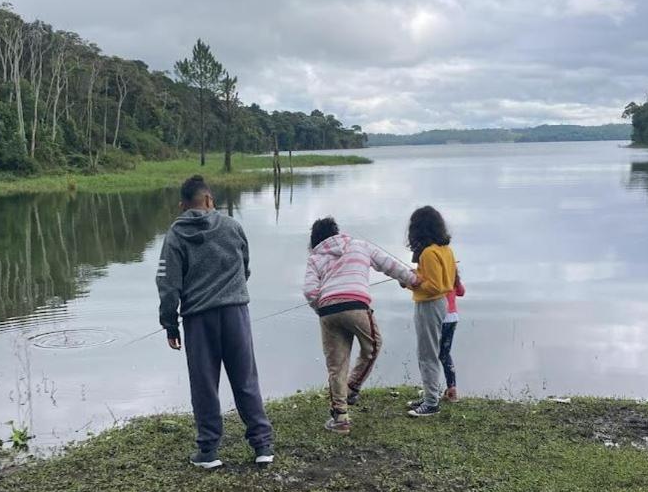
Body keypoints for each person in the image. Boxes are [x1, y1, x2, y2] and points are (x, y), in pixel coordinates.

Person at [156, 175, 275, 469]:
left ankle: (208, 451)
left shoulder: (175, 235)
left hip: (198, 319)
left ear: (183, 205)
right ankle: (262, 446)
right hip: (236, 312)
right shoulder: (233, 226)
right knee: (245, 378)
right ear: (209, 200)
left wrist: (170, 323)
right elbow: (245, 267)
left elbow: (168, 283)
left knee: (205, 384)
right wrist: (232, 289)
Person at [302, 217, 418, 435]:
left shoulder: (315, 257)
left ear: (315, 240)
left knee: (336, 366)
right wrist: (412, 280)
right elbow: (388, 264)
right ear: (337, 232)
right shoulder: (358, 245)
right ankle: (353, 387)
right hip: (356, 305)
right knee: (373, 346)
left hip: (327, 312)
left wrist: (322, 307)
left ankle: (340, 419)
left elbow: (309, 291)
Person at [403, 205, 458, 417]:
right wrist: (416, 275)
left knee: (427, 354)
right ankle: (430, 394)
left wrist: (410, 282)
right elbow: (447, 281)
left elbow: (433, 286)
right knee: (429, 352)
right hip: (441, 303)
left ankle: (431, 402)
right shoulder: (446, 250)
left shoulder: (427, 253)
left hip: (429, 304)